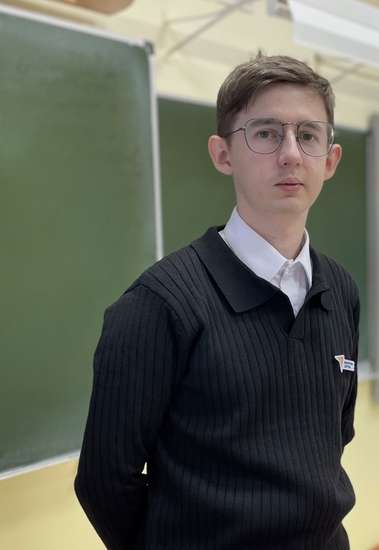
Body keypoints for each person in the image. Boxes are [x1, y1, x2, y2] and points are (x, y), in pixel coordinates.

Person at [75, 53, 360, 550]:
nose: (291, 154)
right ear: (223, 154)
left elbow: (334, 436)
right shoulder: (158, 305)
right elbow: (105, 481)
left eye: (308, 135)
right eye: (266, 133)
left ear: (330, 160)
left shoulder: (340, 289)